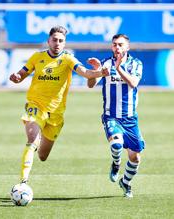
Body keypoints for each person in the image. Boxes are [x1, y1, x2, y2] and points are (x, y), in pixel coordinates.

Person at [9, 26, 107, 186]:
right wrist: (16, 77)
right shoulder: (37, 57)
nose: (57, 43)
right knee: (32, 140)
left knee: (42, 155)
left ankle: (38, 142)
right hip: (36, 106)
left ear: (64, 43)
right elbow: (21, 74)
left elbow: (85, 73)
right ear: (48, 41)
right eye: (54, 40)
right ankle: (23, 183)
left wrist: (100, 73)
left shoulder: (68, 59)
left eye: (61, 41)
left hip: (56, 114)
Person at [87, 34, 145, 198]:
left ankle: (125, 183)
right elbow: (91, 85)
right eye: (114, 45)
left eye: (120, 45)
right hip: (110, 116)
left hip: (130, 118)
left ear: (127, 47)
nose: (117, 48)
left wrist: (118, 68)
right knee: (117, 144)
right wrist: (96, 72)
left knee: (135, 157)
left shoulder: (136, 64)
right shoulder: (105, 63)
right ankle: (116, 164)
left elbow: (133, 83)